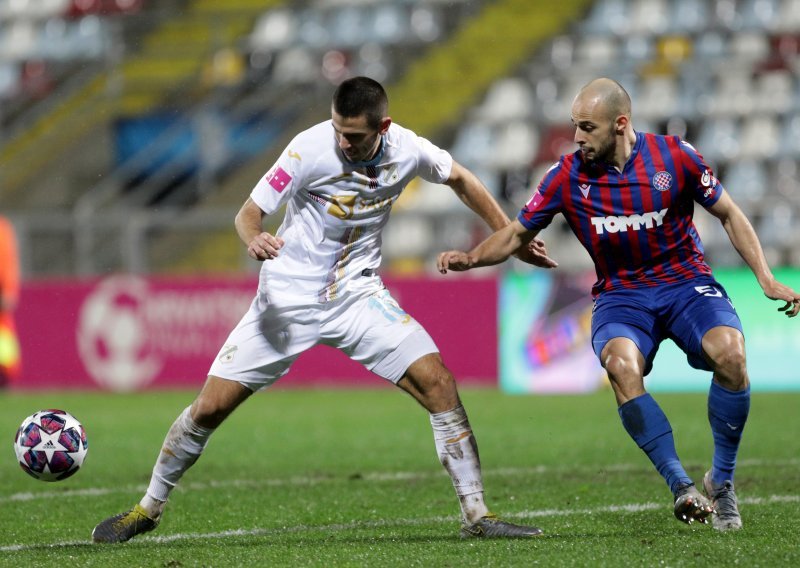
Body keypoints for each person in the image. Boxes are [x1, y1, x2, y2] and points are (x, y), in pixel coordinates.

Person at [92, 76, 556, 543]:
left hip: (358, 298)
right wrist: (255, 237)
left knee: (438, 383)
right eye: (338, 129)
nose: (342, 141)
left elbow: (460, 178)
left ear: (383, 127)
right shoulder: (307, 149)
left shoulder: (408, 149)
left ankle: (477, 514)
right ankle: (147, 508)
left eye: (353, 136)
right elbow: (248, 212)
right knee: (209, 409)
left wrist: (509, 239)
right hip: (286, 301)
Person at [437, 78, 800, 531]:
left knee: (732, 354)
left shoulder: (676, 156)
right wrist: (471, 258)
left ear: (621, 124)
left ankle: (721, 483)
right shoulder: (566, 177)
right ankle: (681, 486)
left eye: (587, 127)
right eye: (574, 126)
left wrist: (765, 278)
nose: (577, 137)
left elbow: (728, 212)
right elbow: (514, 234)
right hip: (621, 296)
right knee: (621, 367)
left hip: (686, 284)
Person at [0, 215, 22, 388]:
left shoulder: (3, 228)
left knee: (4, 337)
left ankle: (5, 378)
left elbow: (8, 261)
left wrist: (8, 290)